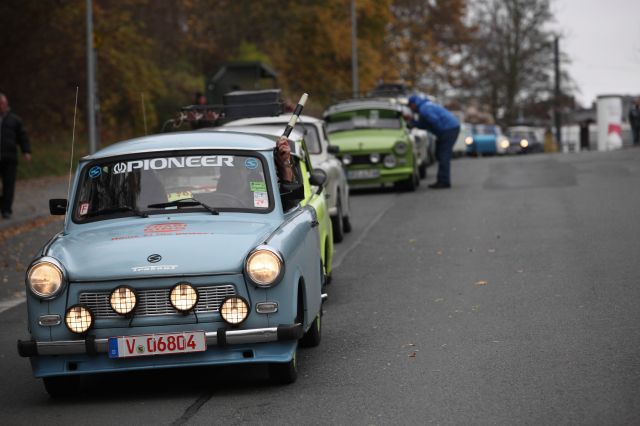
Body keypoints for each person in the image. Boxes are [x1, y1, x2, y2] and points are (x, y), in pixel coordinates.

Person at [407, 94, 460, 189]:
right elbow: (425, 124)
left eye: (410, 106)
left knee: (443, 155)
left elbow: (434, 121)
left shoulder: (424, 109)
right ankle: (442, 179)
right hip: (451, 127)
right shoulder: (426, 105)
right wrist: (414, 123)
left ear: (413, 104)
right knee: (440, 154)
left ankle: (444, 181)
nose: (410, 108)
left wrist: (440, 135)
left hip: (448, 129)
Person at [0, 93, 31, 219]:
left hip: (9, 158)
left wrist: (26, 151)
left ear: (6, 104)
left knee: (9, 184)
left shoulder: (15, 120)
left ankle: (6, 209)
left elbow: (22, 136)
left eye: (2, 103)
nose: (1, 106)